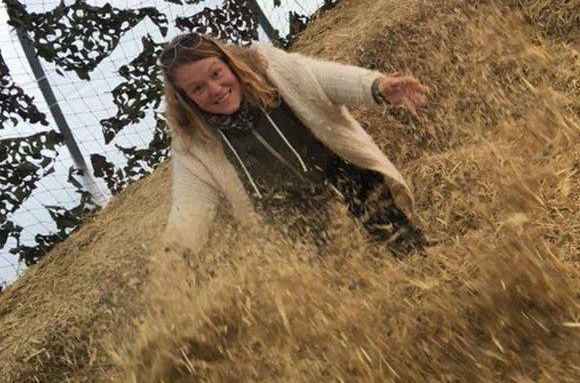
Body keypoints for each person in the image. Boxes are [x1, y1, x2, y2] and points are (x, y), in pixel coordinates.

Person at [157, 32, 429, 257]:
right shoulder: (193, 141)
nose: (215, 89)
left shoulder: (268, 68)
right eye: (198, 89)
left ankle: (414, 256)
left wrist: (377, 86)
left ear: (229, 64)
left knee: (367, 195)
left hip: (335, 168)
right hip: (285, 213)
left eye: (216, 74)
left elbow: (325, 78)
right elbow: (189, 205)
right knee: (322, 270)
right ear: (185, 99)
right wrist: (176, 256)